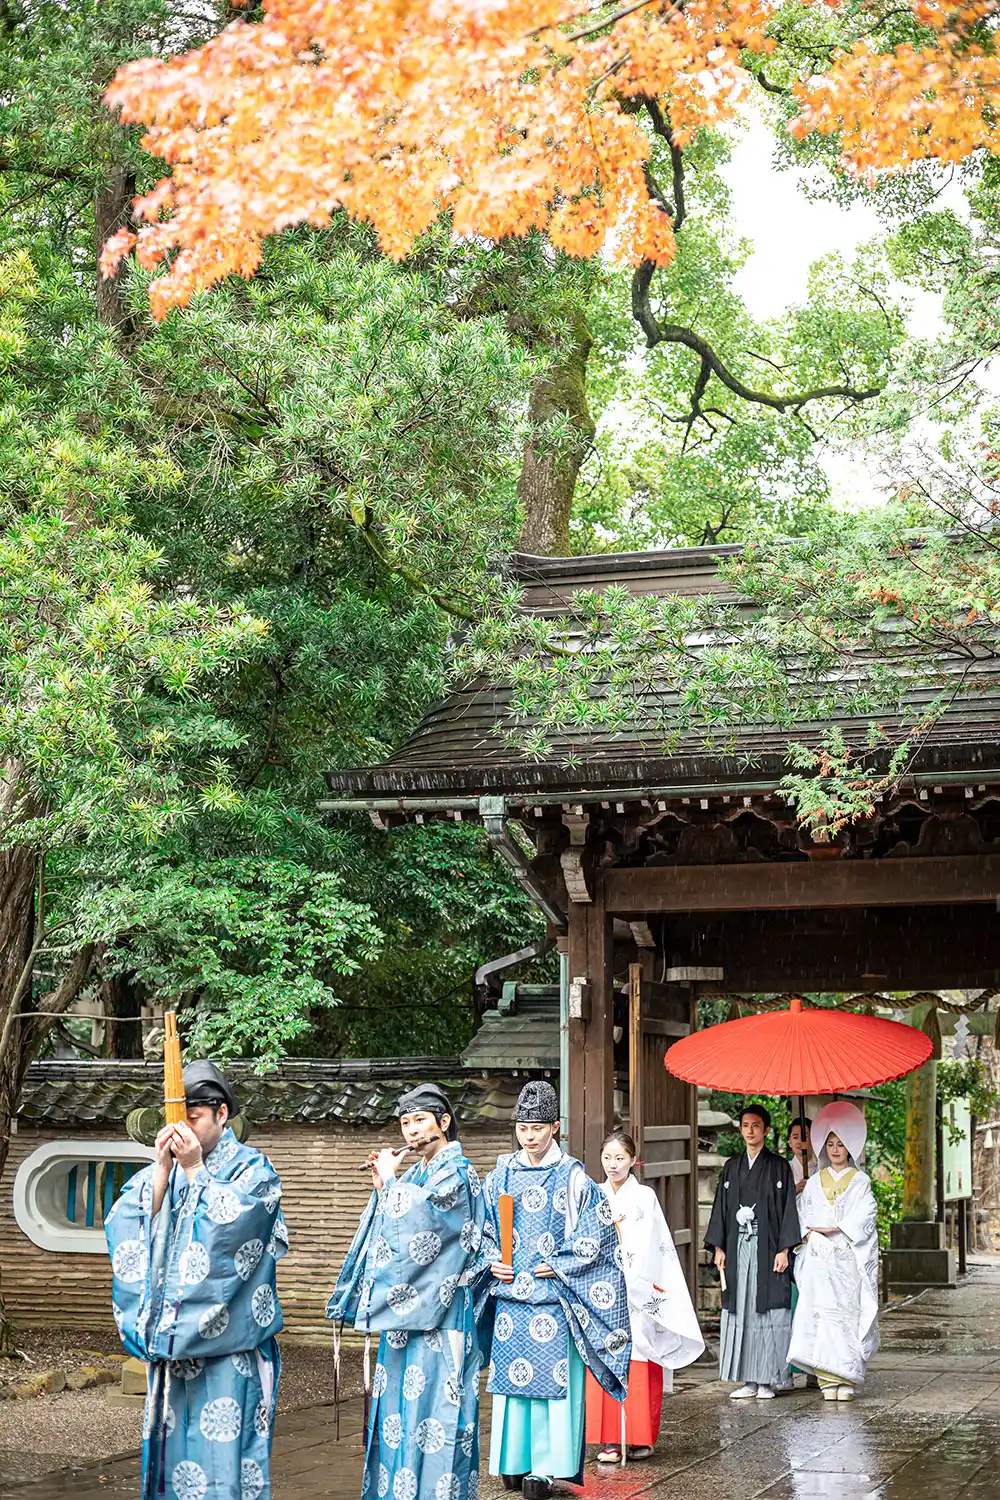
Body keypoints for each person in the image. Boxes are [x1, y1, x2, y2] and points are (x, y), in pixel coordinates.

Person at [105, 1060, 287, 1500]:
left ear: (221, 1115)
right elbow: (124, 1227)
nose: (181, 1129)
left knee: (225, 1469)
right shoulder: (159, 1171)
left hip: (229, 1351)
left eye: (192, 1117)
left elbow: (235, 1233)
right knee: (171, 1467)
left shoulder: (253, 1170)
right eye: (174, 1119)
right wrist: (164, 1171)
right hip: (170, 1350)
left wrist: (195, 1171)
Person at [327, 1084, 486, 1500]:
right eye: (405, 1123)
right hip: (402, 1315)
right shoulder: (417, 1174)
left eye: (420, 1121)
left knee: (439, 1415)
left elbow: (430, 1229)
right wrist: (386, 1186)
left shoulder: (458, 1172)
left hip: (443, 1311)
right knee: (398, 1414)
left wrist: (393, 1187)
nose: (412, 1131)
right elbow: (388, 1229)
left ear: (444, 1123)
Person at [475, 1080, 630, 1500]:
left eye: (538, 1127)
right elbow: (482, 1226)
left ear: (555, 1127)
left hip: (552, 1296)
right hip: (510, 1295)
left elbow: (597, 1236)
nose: (529, 1135)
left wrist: (561, 1263)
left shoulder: (573, 1175)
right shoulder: (502, 1171)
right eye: (523, 1127)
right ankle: (511, 1461)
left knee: (551, 1386)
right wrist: (492, 1260)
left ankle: (546, 1468)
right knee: (510, 1388)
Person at [586, 1130, 705, 1464]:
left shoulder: (645, 1197)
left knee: (640, 1355)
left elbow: (655, 1244)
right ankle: (609, 1438)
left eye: (620, 1158)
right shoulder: (593, 1195)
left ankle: (640, 1437)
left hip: (636, 1289)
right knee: (604, 1358)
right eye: (607, 1157)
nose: (613, 1165)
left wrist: (632, 1274)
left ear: (633, 1160)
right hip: (602, 1291)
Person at [705, 1101, 800, 1400]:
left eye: (756, 1126)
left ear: (767, 1130)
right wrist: (718, 1247)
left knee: (766, 1309)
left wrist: (784, 1249)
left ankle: (768, 1379)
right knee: (741, 1307)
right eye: (745, 1125)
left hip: (767, 1246)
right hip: (737, 1247)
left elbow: (787, 1211)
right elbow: (720, 1208)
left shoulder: (778, 1166)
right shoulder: (732, 1166)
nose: (750, 1131)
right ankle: (746, 1378)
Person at [788, 1101, 880, 1402]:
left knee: (846, 1314)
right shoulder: (813, 1182)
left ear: (850, 1147)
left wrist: (836, 1228)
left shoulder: (861, 1181)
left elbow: (866, 1215)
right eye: (830, 1143)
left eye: (841, 1144)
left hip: (846, 1255)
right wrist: (813, 1230)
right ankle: (828, 1378)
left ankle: (847, 1375)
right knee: (821, 1314)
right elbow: (803, 1215)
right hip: (819, 1259)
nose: (835, 1149)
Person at [788, 1117, 816, 1196]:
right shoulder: (784, 1168)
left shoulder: (820, 1167)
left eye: (804, 1137)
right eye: (795, 1137)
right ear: (790, 1142)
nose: (799, 1141)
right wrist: (794, 1190)